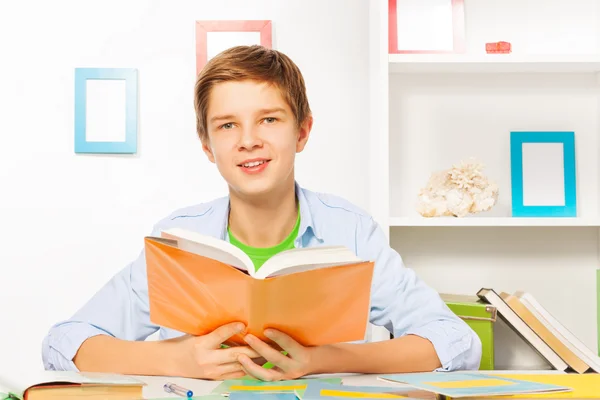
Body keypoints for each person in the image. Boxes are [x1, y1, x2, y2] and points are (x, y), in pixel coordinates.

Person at [42, 45, 482, 381]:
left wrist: (321, 360)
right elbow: (63, 343)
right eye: (227, 125)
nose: (248, 140)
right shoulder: (177, 238)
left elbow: (456, 341)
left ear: (303, 131)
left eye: (269, 120)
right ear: (206, 145)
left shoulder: (350, 232)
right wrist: (174, 358)